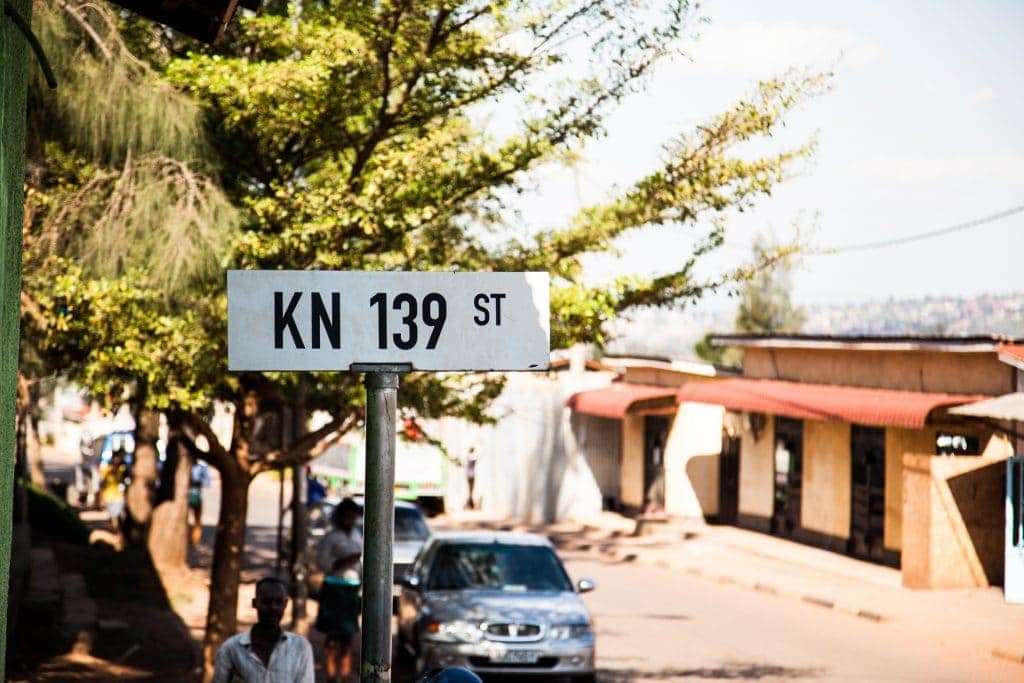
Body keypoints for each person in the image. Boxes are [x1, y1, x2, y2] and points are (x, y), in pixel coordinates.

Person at [212, 576, 314, 683]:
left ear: (285, 605)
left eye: (278, 602)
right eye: (266, 602)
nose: (273, 608)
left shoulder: (300, 648)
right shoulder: (231, 649)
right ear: (254, 603)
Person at [315, 497, 362, 683]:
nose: (349, 520)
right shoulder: (332, 537)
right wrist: (341, 562)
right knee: (332, 635)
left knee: (348, 636)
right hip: (334, 587)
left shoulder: (357, 535)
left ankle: (345, 674)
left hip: (352, 588)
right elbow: (322, 563)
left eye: (352, 517)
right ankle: (331, 675)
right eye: (347, 516)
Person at [99, 448, 127, 533]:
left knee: (117, 518)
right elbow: (102, 485)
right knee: (112, 519)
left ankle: (118, 534)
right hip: (109, 497)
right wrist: (101, 499)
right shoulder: (107, 470)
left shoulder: (123, 469)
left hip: (119, 497)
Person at [188, 460, 212, 545]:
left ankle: (195, 540)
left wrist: (197, 481)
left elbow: (208, 482)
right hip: (185, 497)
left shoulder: (201, 468)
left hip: (196, 495)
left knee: (197, 520)